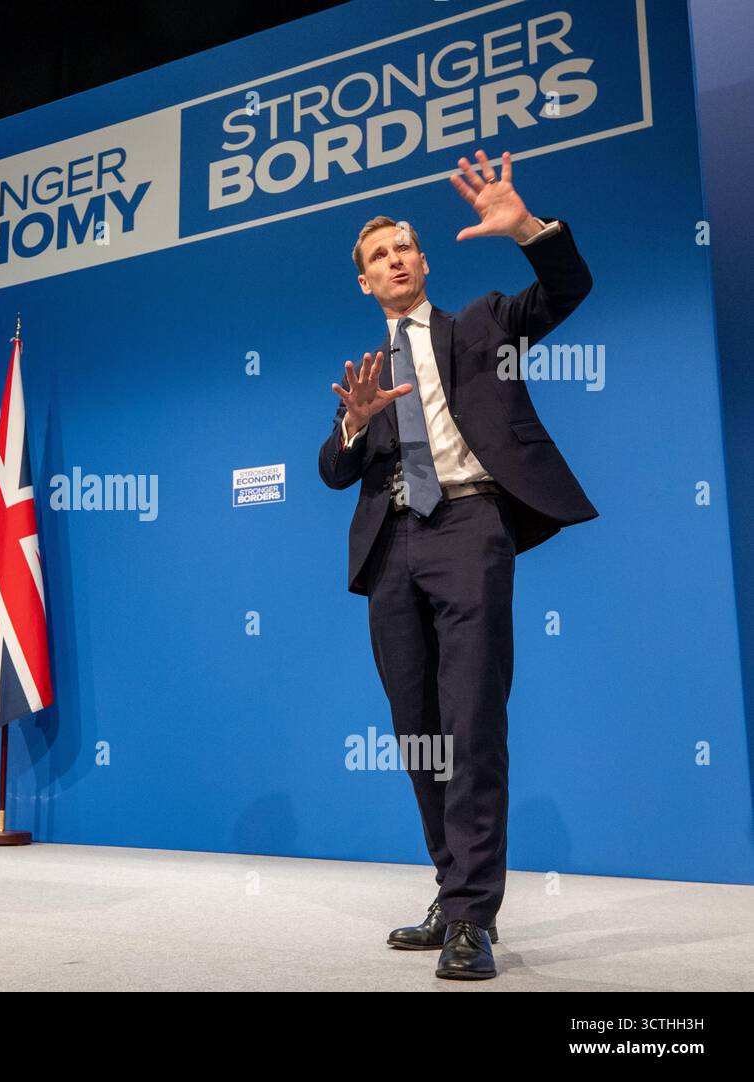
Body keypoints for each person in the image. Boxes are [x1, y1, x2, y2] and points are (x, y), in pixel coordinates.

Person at [318, 148, 597, 980]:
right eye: (377, 256)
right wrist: (353, 426)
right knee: (421, 737)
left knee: (471, 725)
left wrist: (531, 232)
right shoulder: (363, 377)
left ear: (423, 261)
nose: (394, 259)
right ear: (365, 284)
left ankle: (474, 916)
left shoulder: (480, 323)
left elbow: (565, 292)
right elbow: (333, 472)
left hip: (470, 525)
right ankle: (452, 889)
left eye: (403, 246)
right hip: (391, 548)